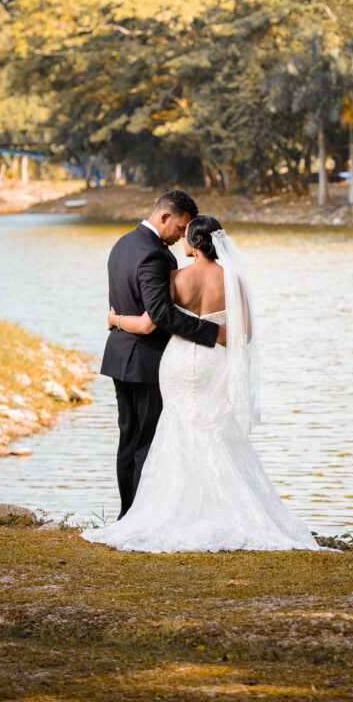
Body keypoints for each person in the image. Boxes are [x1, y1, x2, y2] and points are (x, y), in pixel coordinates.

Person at [82, 215, 319, 552]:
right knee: (214, 428)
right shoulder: (235, 280)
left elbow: (151, 324)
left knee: (176, 429)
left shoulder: (176, 278)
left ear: (193, 243)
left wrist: (115, 319)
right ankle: (226, 510)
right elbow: (245, 335)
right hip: (213, 364)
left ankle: (169, 511)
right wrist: (219, 336)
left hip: (178, 363)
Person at [99, 190, 226, 518]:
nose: (184, 235)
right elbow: (162, 315)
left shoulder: (122, 244)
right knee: (147, 442)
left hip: (119, 355)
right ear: (164, 216)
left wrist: (116, 321)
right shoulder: (156, 255)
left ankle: (127, 513)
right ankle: (138, 516)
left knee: (128, 437)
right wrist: (213, 332)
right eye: (182, 227)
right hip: (146, 362)